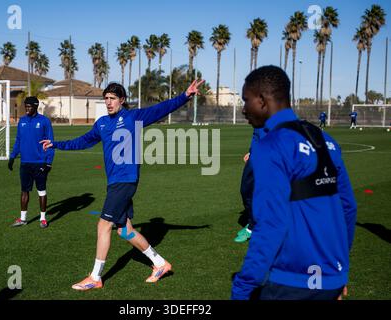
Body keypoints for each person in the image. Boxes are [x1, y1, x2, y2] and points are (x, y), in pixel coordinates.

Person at [41, 80, 204, 290]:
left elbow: (160, 109)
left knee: (103, 225)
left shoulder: (132, 118)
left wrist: (185, 95)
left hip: (125, 180)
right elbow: (83, 141)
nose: (109, 103)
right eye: (106, 99)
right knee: (124, 231)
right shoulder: (101, 123)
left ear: (122, 100)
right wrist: (57, 144)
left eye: (113, 99)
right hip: (114, 182)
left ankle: (95, 277)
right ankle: (160, 264)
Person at [231, 66, 357, 300]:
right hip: (330, 278)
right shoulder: (325, 139)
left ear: (262, 100)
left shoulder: (270, 146)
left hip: (291, 283)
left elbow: (270, 224)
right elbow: (348, 207)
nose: (243, 109)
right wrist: (339, 270)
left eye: (246, 100)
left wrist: (243, 287)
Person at [8, 96, 55, 229]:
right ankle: (23, 219)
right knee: (24, 191)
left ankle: (43, 219)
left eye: (29, 107)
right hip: (25, 163)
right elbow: (18, 140)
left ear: (35, 106)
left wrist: (48, 162)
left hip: (40, 163)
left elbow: (50, 143)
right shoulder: (22, 121)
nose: (27, 109)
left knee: (41, 191)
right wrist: (12, 157)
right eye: (26, 106)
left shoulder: (44, 121)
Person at [234, 128, 265, 243]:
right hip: (256, 153)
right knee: (246, 190)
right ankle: (254, 222)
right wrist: (252, 151)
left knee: (260, 191)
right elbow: (257, 134)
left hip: (268, 154)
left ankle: (253, 227)